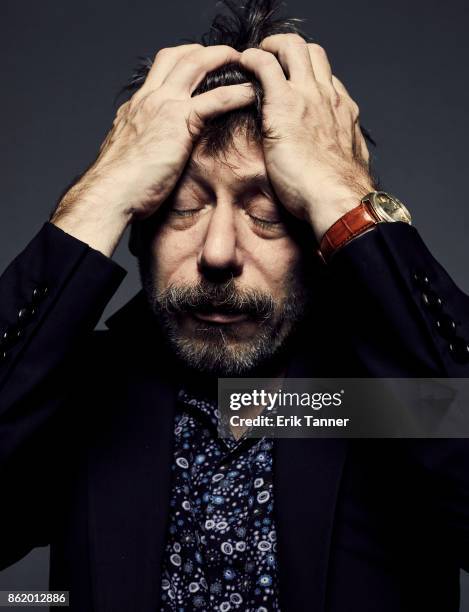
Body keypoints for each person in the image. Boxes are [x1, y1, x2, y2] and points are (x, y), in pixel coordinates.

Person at [1, 0, 469, 610]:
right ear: (139, 224)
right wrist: (101, 191)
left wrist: (344, 190)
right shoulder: (83, 393)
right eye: (181, 208)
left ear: (317, 232)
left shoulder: (390, 399)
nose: (218, 252)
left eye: (268, 214)